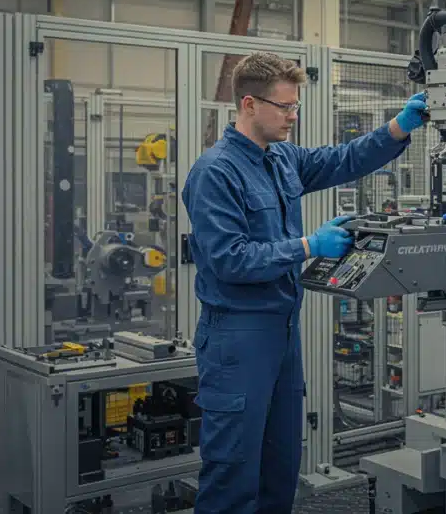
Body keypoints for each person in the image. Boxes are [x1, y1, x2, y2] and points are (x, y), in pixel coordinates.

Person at [182, 52, 428, 513]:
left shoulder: (281, 158)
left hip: (283, 331)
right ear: (250, 105)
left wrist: (398, 127)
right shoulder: (215, 172)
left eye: (296, 106)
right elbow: (229, 260)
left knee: (280, 467)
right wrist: (308, 246)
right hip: (237, 337)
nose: (293, 116)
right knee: (233, 472)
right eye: (285, 107)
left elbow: (341, 159)